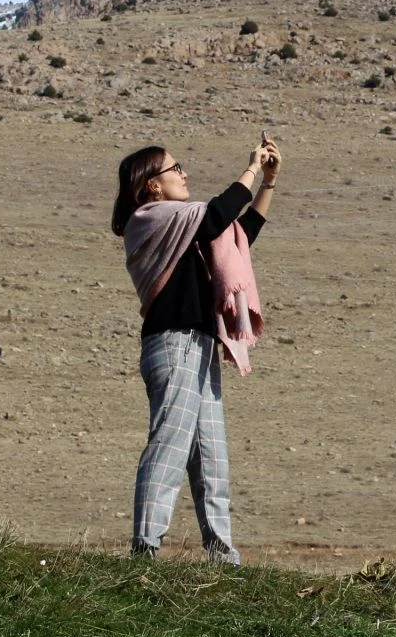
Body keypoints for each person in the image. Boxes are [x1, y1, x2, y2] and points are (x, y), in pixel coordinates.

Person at [110, 134, 281, 561]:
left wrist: (268, 182)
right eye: (176, 168)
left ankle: (222, 556)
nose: (184, 174)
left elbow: (238, 233)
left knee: (212, 458)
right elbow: (216, 216)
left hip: (199, 346)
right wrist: (251, 168)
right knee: (170, 444)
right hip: (175, 343)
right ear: (152, 185)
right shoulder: (149, 219)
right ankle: (145, 546)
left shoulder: (182, 225)